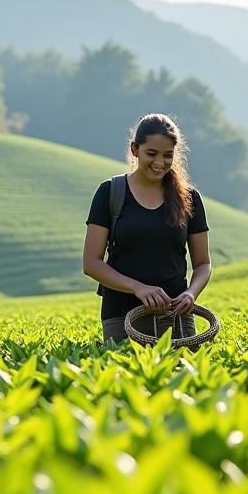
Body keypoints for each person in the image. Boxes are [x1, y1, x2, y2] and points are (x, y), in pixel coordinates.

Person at [83, 113, 211, 343]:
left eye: (167, 155)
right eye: (151, 154)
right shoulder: (110, 193)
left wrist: (191, 294)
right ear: (134, 149)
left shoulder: (189, 198)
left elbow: (203, 264)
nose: (159, 163)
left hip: (175, 318)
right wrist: (138, 288)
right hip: (121, 316)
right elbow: (91, 263)